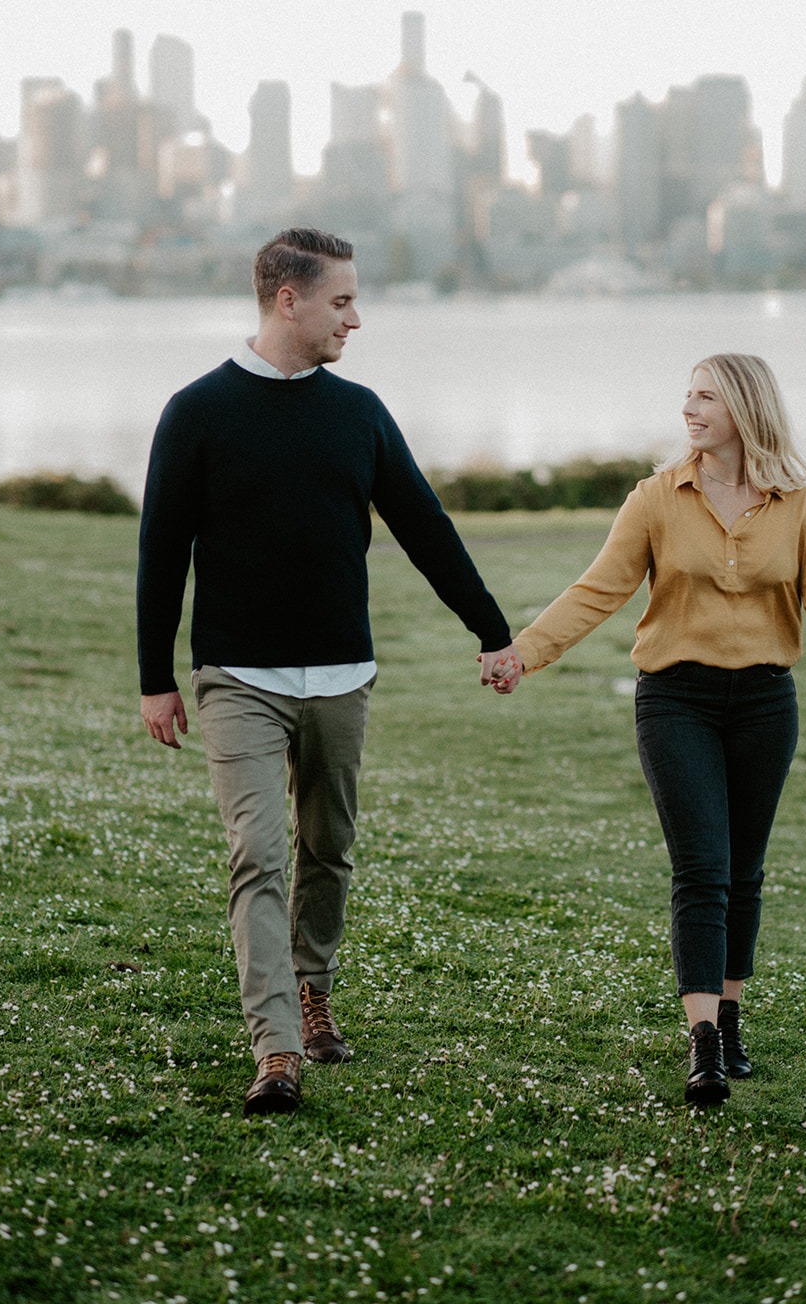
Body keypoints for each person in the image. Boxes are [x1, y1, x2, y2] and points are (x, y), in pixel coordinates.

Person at [138, 227, 519, 1117]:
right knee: (257, 856)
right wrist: (156, 676)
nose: (356, 317)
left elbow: (426, 527)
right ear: (288, 299)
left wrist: (492, 630)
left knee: (328, 850)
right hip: (238, 677)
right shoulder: (195, 412)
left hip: (342, 676)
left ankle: (313, 990)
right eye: (342, 300)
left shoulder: (361, 413)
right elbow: (162, 553)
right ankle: (275, 1049)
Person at [486, 352, 806, 1106]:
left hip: (765, 703)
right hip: (675, 701)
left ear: (745, 410)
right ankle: (702, 1047)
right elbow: (598, 590)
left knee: (743, 873)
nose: (688, 409)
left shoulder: (799, 506)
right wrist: (525, 652)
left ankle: (729, 1019)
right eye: (686, 395)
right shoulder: (657, 499)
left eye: (705, 397)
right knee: (701, 868)